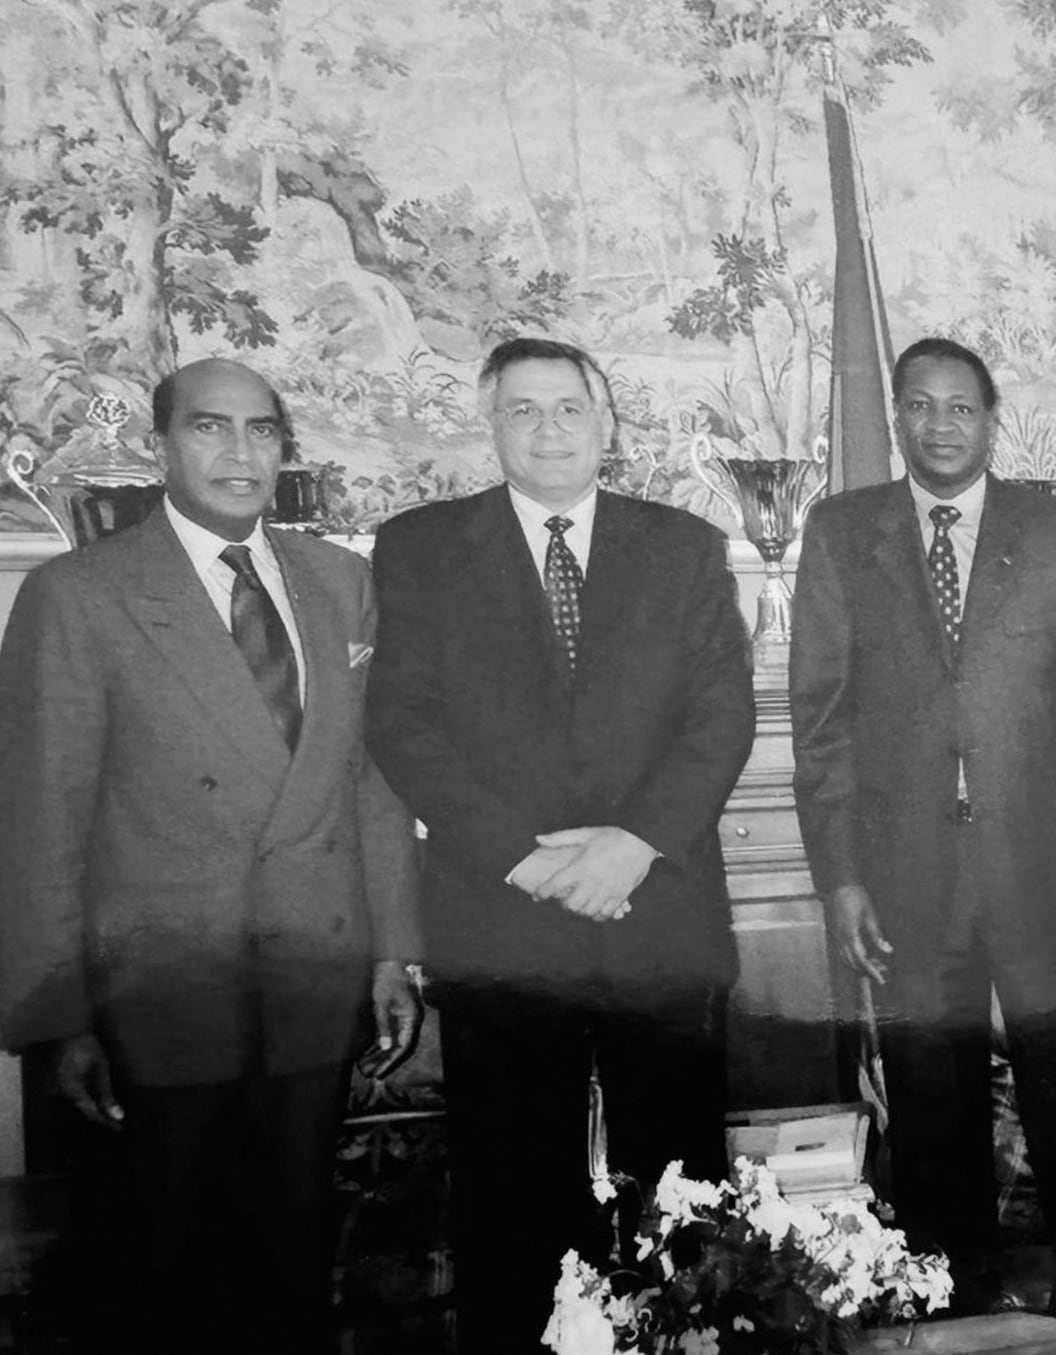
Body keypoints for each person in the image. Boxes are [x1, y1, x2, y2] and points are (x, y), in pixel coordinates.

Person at [0, 358, 423, 1354]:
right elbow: (41, 818)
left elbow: (371, 778)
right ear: (160, 447)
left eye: (262, 430)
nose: (241, 452)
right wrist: (59, 1017)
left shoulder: (340, 581)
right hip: (159, 1005)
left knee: (291, 1264)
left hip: (313, 982)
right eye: (210, 427)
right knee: (159, 1282)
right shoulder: (78, 594)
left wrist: (393, 949)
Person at [365, 336, 755, 1354]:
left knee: (682, 1195)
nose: (548, 430)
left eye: (567, 409)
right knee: (509, 1194)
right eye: (523, 410)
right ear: (490, 425)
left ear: (606, 423)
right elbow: (403, 725)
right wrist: (527, 860)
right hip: (502, 923)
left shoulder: (683, 544)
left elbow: (720, 717)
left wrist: (636, 844)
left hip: (658, 914)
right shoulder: (419, 546)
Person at [790, 336, 1056, 1314]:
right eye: (921, 405)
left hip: (1043, 874)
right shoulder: (841, 530)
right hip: (905, 879)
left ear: (993, 418)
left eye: (962, 407)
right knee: (935, 1126)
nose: (941, 424)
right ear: (896, 415)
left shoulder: (1050, 520)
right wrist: (843, 878)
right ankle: (962, 1310)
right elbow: (819, 723)